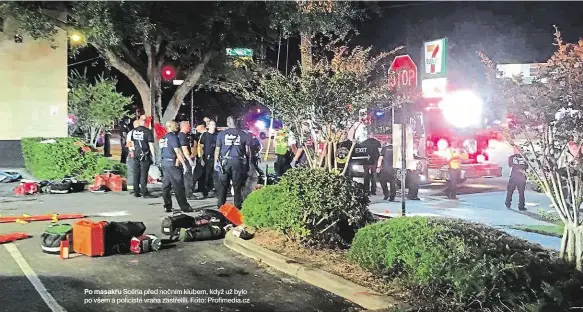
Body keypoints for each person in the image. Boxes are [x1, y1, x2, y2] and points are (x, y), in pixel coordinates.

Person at [214, 116, 250, 209]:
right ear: (236, 123)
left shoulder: (221, 134)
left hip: (225, 162)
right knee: (237, 186)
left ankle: (221, 206)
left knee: (223, 186)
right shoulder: (243, 134)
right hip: (238, 162)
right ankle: (238, 206)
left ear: (227, 123)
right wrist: (247, 162)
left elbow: (217, 150)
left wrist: (216, 162)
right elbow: (247, 151)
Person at [159, 121, 194, 212]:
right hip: (172, 164)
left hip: (164, 163)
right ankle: (184, 207)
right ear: (169, 126)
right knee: (178, 186)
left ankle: (167, 206)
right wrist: (184, 164)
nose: (177, 126)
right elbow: (178, 151)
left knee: (166, 186)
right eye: (175, 125)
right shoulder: (173, 137)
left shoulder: (163, 137)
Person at [130, 118, 155, 198]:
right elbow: (150, 145)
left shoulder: (134, 131)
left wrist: (134, 151)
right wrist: (153, 155)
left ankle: (136, 191)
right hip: (145, 155)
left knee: (136, 173)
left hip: (136, 154)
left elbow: (133, 143)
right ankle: (144, 192)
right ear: (145, 124)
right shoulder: (147, 131)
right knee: (144, 174)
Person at [178, 121, 197, 200]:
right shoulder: (182, 136)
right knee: (187, 176)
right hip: (185, 159)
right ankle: (189, 194)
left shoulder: (180, 135)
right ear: (184, 126)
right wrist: (189, 160)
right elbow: (184, 149)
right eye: (188, 126)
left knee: (184, 176)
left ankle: (184, 193)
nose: (189, 127)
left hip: (182, 158)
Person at [200, 119, 219, 197]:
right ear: (208, 126)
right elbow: (200, 147)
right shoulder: (204, 135)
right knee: (207, 175)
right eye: (211, 124)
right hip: (207, 158)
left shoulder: (217, 135)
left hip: (216, 158)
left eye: (214, 124)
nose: (213, 126)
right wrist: (201, 158)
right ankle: (205, 191)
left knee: (215, 175)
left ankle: (214, 190)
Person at [125, 120, 140, 193]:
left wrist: (131, 151)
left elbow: (128, 143)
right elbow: (129, 143)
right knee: (135, 169)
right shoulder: (141, 132)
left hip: (134, 152)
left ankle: (132, 186)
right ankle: (134, 186)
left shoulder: (131, 133)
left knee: (132, 169)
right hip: (137, 152)